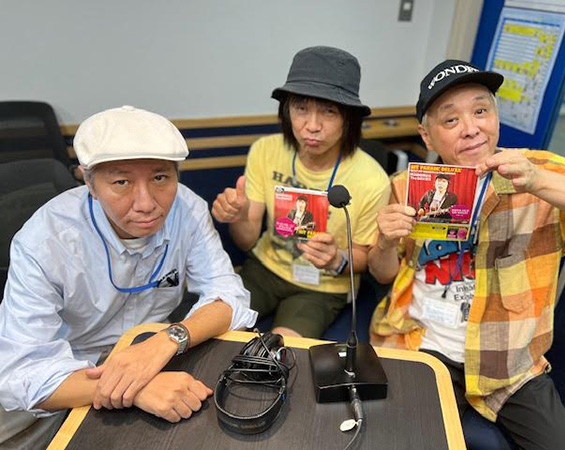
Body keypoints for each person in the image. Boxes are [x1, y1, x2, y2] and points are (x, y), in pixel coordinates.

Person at [368, 60, 565, 449]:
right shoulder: (407, 186)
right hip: (422, 344)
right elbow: (384, 273)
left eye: (481, 111)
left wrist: (538, 181)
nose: (471, 128)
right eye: (451, 120)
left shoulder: (540, 171)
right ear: (427, 136)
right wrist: (384, 243)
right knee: (398, 438)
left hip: (510, 363)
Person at [0, 105, 257, 448]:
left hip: (156, 352)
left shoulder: (187, 209)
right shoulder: (45, 240)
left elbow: (229, 296)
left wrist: (168, 340)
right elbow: (20, 372)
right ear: (89, 182)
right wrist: (133, 387)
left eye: (160, 178)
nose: (146, 203)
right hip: (71, 369)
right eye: (121, 182)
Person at [212, 46, 390, 338]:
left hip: (322, 287)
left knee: (282, 352)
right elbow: (246, 241)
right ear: (287, 111)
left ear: (348, 119)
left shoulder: (372, 179)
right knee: (213, 328)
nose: (312, 126)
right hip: (264, 270)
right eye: (301, 108)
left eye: (329, 112)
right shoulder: (265, 150)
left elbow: (363, 257)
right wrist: (239, 216)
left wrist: (337, 259)